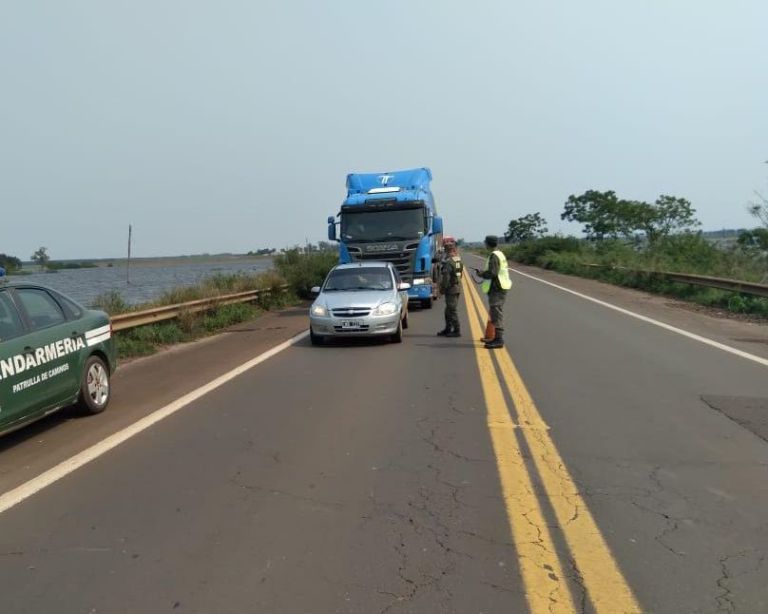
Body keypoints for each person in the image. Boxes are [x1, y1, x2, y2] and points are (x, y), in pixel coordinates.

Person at [474, 235, 512, 349]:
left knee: (496, 312)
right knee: (495, 312)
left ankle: (498, 339)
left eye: (485, 242)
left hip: (497, 288)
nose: (484, 244)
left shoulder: (494, 256)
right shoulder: (499, 254)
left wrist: (481, 274)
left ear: (488, 243)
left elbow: (493, 273)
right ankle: (495, 338)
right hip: (499, 287)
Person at [437, 240, 463, 337]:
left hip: (451, 288)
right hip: (456, 286)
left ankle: (457, 330)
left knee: (451, 310)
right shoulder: (457, 259)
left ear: (447, 250)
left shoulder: (448, 262)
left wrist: (441, 290)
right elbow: (460, 274)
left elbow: (446, 278)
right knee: (448, 310)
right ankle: (448, 329)